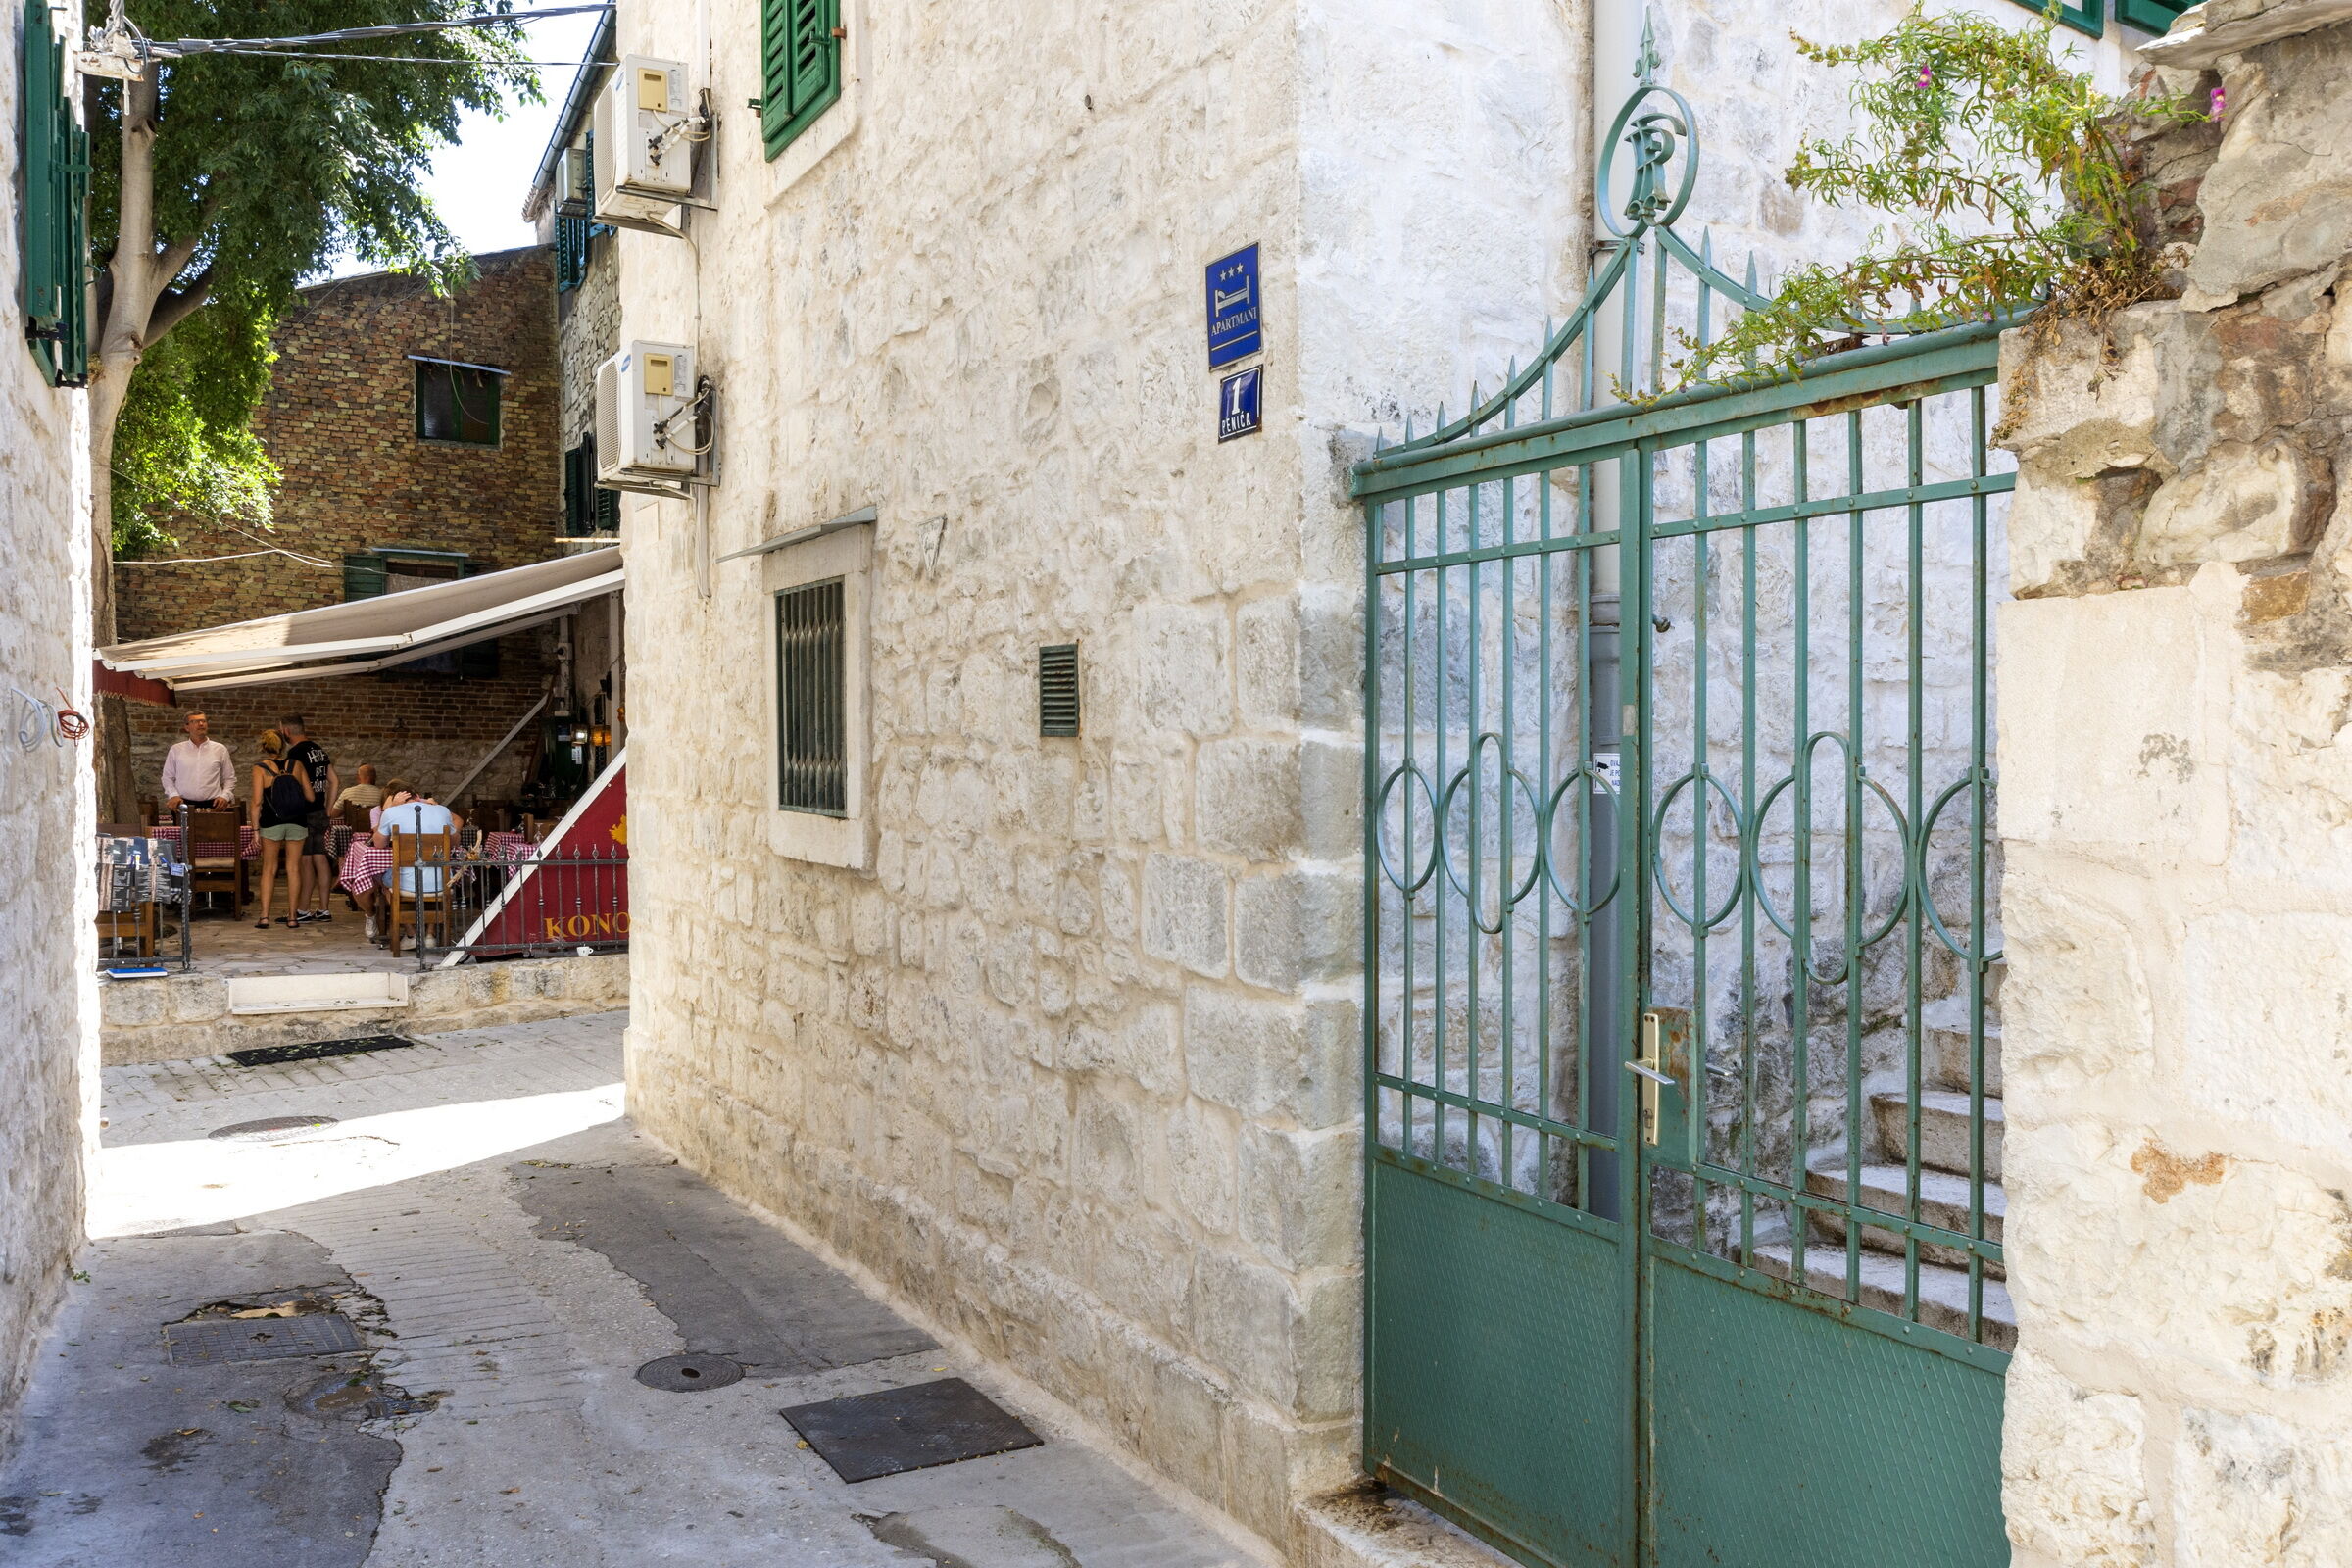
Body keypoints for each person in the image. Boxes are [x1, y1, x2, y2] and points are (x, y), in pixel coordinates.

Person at [373, 783, 457, 948]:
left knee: (383, 880)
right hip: (440, 882)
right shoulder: (442, 810)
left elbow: (378, 844)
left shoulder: (391, 812)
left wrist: (387, 809)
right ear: (417, 796)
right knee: (436, 873)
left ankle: (411, 934)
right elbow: (454, 841)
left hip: (405, 883)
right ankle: (430, 935)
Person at [248, 729, 315, 930]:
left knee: (269, 869)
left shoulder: (259, 769)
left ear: (263, 746)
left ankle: (264, 917)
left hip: (271, 822)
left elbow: (257, 802)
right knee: (294, 869)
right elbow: (310, 797)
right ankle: (293, 917)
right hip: (297, 821)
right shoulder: (297, 765)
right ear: (283, 745)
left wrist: (255, 830)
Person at [280, 715, 340, 924]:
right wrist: (329, 808)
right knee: (321, 859)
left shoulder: (295, 753)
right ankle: (324, 909)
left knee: (305, 861)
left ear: (286, 731)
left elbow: (293, 785)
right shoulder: (319, 750)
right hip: (320, 813)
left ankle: (303, 909)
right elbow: (334, 780)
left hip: (303, 813)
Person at [160, 711, 236, 812]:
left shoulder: (220, 749)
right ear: (187, 727)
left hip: (214, 805)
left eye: (203, 721)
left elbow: (230, 778)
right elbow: (167, 777)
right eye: (195, 721)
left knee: (214, 829)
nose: (201, 724)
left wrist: (225, 796)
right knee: (184, 829)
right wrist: (173, 795)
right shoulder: (176, 750)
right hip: (183, 805)